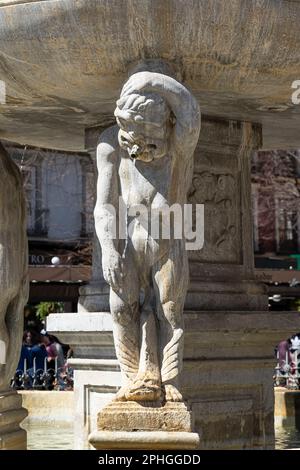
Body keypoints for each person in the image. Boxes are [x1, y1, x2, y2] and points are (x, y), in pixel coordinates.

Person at [95, 70, 200, 402]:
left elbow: (190, 113)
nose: (141, 147)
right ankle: (130, 379)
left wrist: (150, 80)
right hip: (129, 244)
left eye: (150, 137)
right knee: (120, 307)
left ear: (165, 125)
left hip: (168, 244)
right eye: (134, 136)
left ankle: (169, 383)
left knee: (170, 311)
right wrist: (109, 250)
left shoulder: (178, 147)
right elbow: (104, 205)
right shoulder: (111, 144)